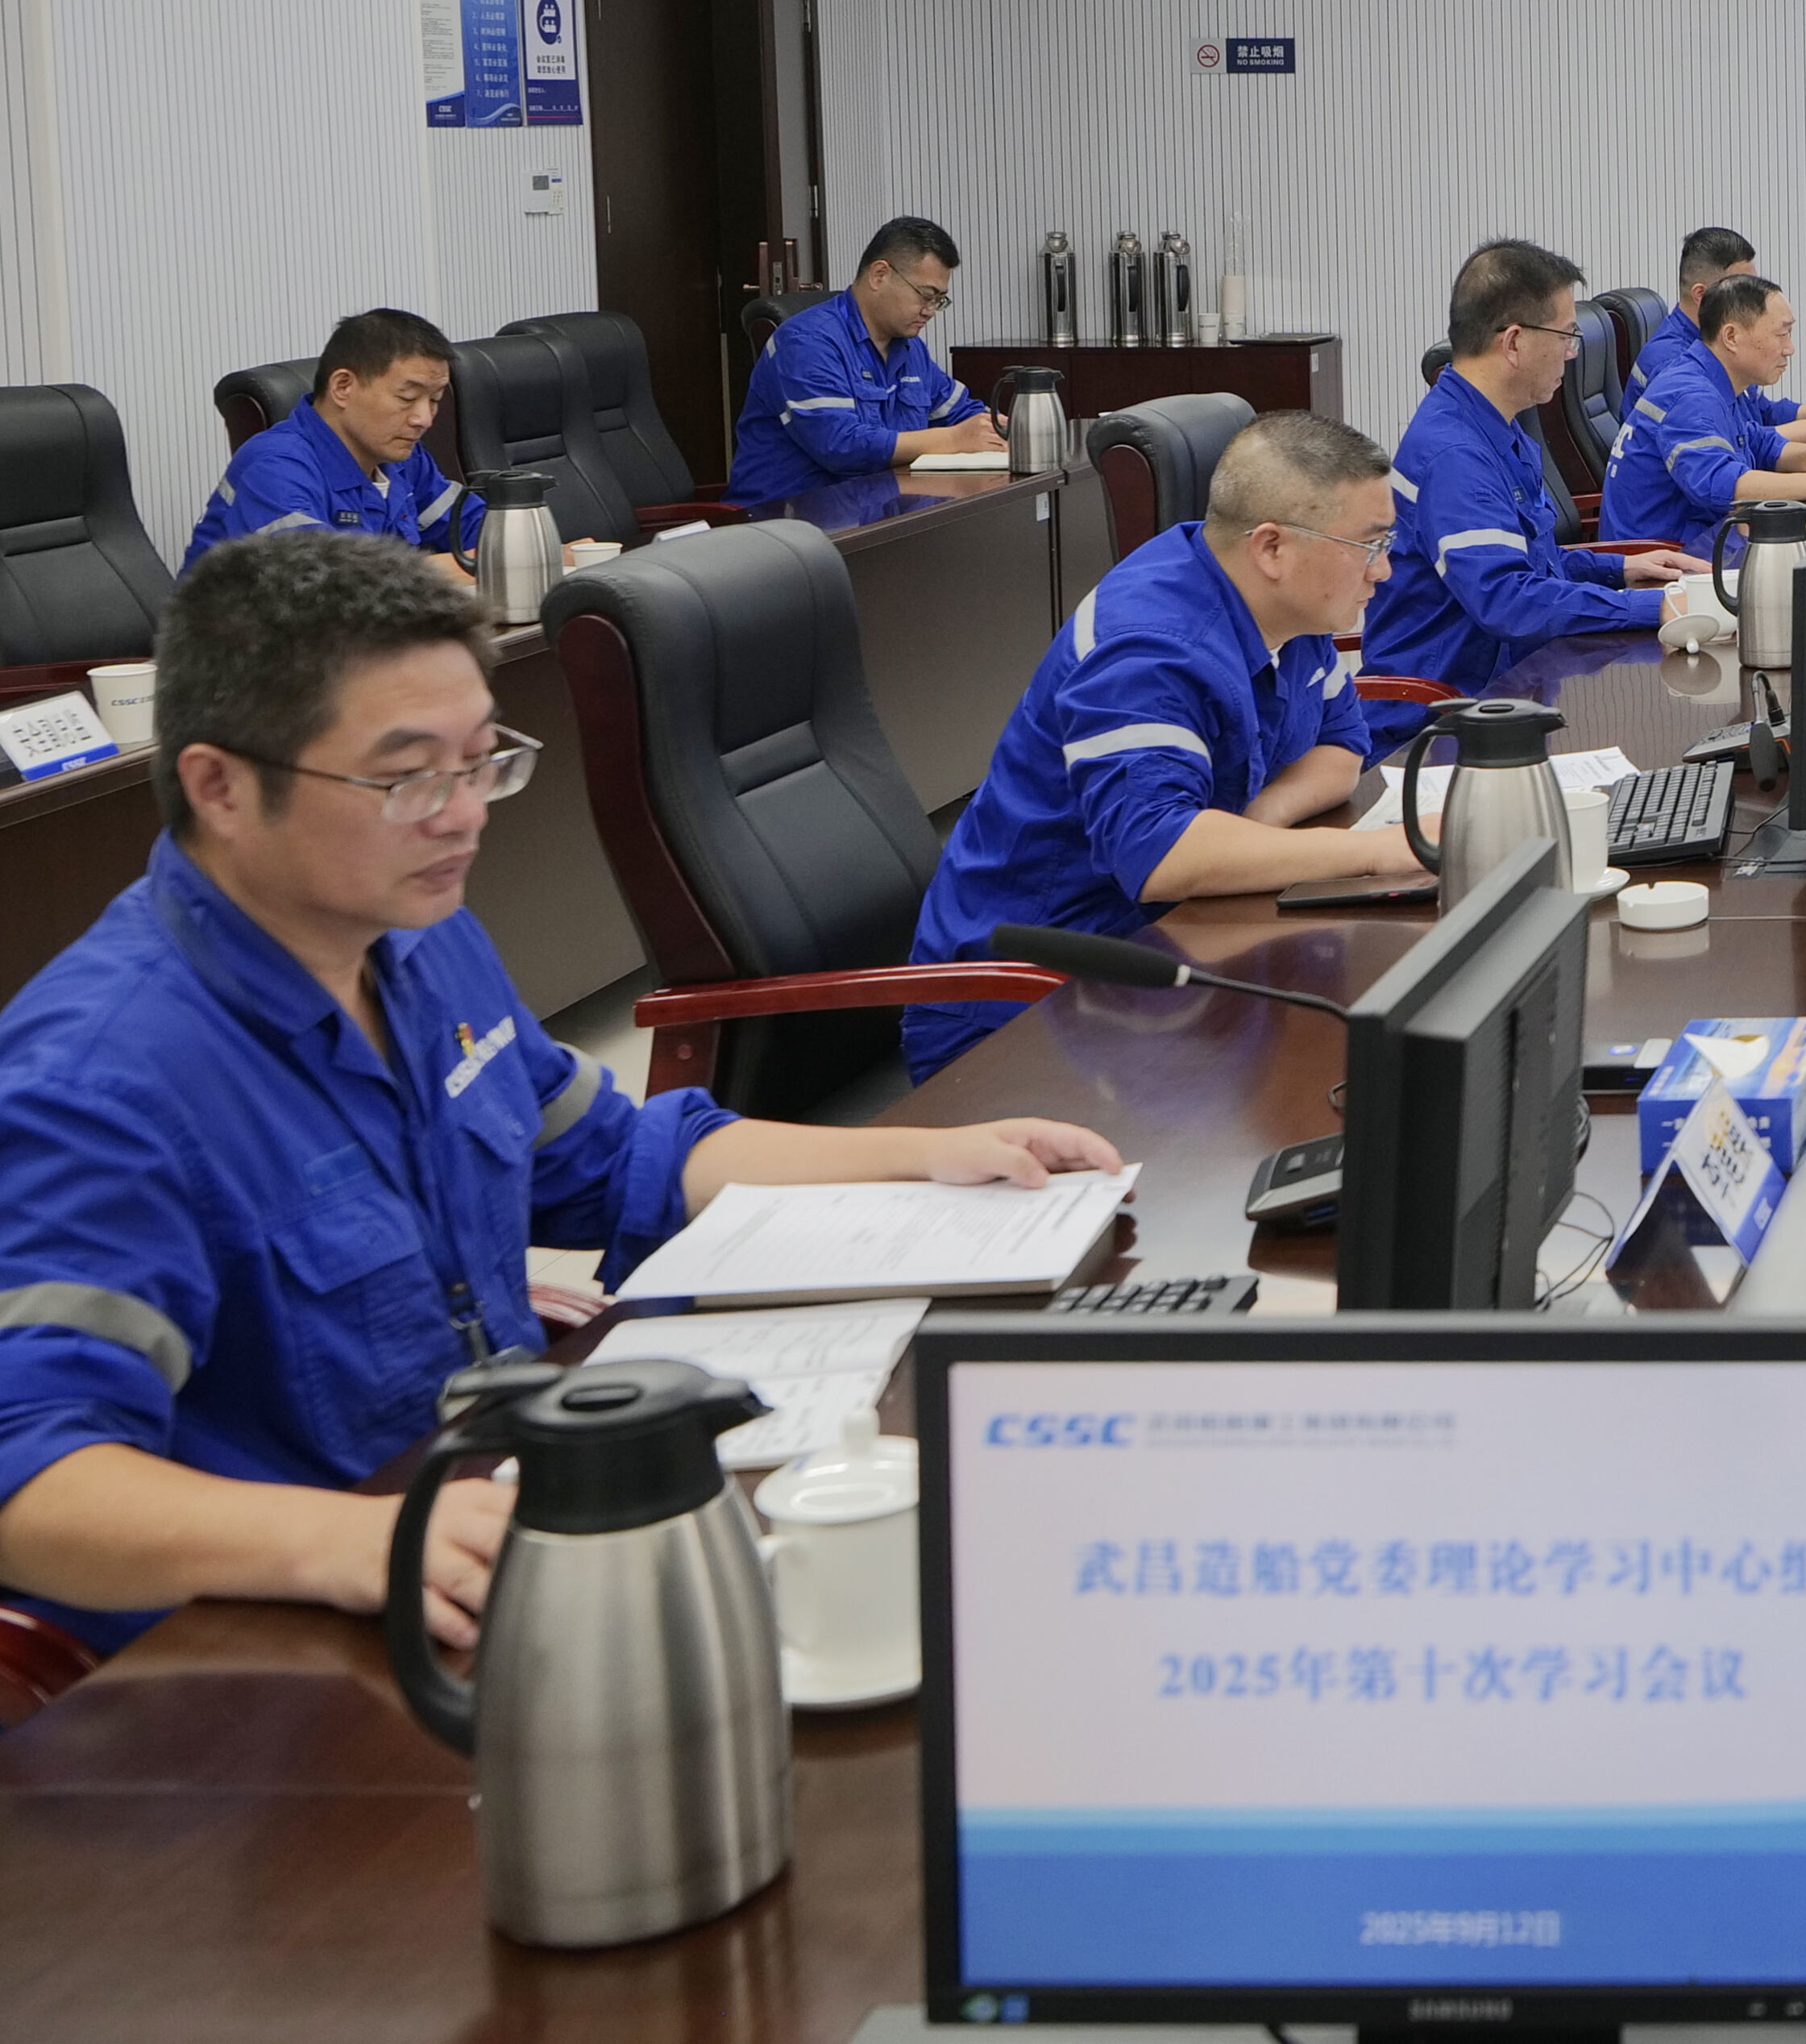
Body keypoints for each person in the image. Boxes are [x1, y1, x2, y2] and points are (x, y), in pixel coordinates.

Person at [0, 534, 1116, 1668]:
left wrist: (925, 1155)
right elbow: (31, 1485)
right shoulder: (100, 1084)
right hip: (291, 1642)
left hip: (502, 1520)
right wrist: (354, 1541)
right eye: (408, 777)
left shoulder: (420, 943)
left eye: (482, 759)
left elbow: (617, 1158)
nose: (465, 815)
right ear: (220, 786)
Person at [900, 411, 1425, 1076]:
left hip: (1166, 950)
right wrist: (1378, 852)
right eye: (1370, 545)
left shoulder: (1289, 607)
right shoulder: (1148, 648)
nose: (1385, 571)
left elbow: (1342, 749)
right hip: (1025, 1002)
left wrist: (1254, 824)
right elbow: (1162, 853)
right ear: (1272, 548)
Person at [1360, 239, 1708, 743]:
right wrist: (1656, 608)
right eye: (1566, 335)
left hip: (1508, 691)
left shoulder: (1496, 427)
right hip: (1438, 722)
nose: (1572, 351)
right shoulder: (1456, 456)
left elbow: (1526, 562)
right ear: (1514, 343)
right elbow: (1509, 601)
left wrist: (1621, 568)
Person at [179, 308, 482, 580]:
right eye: (408, 398)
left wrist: (494, 547)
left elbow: (480, 529)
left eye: (435, 400)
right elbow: (324, 587)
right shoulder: (275, 466)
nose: (424, 419)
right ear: (342, 387)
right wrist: (461, 566)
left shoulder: (404, 459)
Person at [730, 216, 1001, 505]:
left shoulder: (909, 348)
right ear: (879, 275)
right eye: (925, 296)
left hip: (880, 507)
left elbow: (962, 413)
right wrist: (953, 440)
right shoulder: (807, 342)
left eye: (939, 300)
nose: (930, 311)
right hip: (793, 516)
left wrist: (1006, 429)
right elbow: (841, 445)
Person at [1602, 272, 1806, 553]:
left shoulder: (1711, 378)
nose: (1789, 349)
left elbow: (1755, 441)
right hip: (1664, 557)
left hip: (1700, 538)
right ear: (1731, 337)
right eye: (1781, 334)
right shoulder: (1690, 395)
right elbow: (1719, 483)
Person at [1647, 225, 1806, 464]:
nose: (1753, 296)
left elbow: (1761, 414)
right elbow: (1731, 452)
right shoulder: (1673, 362)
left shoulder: (1717, 353)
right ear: (1701, 295)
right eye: (1741, 285)